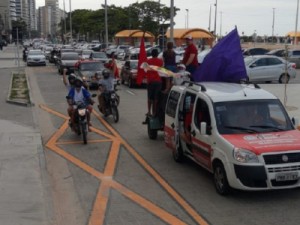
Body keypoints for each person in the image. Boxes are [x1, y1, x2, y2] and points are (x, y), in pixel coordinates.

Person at [145, 48, 163, 117]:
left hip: (150, 81)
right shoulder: (160, 61)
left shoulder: (148, 61)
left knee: (149, 98)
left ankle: (149, 111)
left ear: (151, 54)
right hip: (158, 81)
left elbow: (145, 70)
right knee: (156, 98)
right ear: (157, 54)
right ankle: (154, 112)